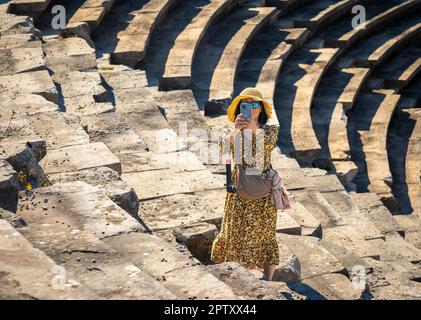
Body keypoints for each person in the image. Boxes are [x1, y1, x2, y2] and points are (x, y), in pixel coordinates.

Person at [210, 87, 280, 281]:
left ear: (262, 110)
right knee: (235, 231)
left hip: (263, 189)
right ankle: (237, 276)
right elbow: (222, 150)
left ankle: (267, 280)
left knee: (265, 233)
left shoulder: (271, 130)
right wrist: (235, 131)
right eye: (245, 104)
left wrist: (251, 128)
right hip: (239, 187)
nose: (251, 108)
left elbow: (267, 145)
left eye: (255, 104)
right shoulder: (235, 132)